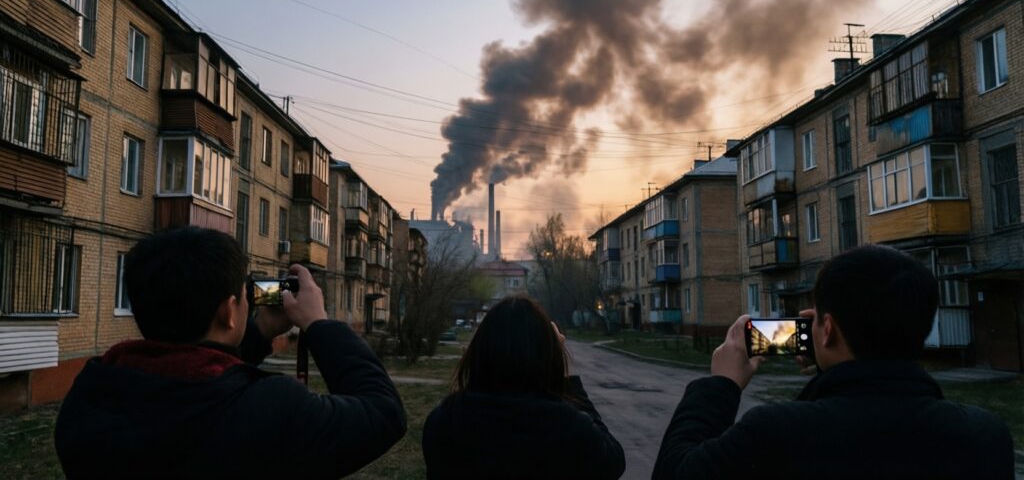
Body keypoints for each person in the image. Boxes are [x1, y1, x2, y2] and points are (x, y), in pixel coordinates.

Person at [54, 227, 406, 478]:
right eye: (243, 294)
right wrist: (318, 323)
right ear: (228, 311)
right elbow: (384, 413)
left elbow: (195, 375)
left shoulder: (90, 397)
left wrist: (260, 331)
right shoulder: (274, 411)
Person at [653, 244, 1014, 480]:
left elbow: (675, 472)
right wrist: (837, 369)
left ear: (826, 329)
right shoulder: (986, 436)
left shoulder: (777, 432)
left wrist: (722, 385)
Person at [422, 295, 625, 479]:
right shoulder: (569, 427)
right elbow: (613, 463)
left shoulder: (443, 422)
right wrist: (568, 377)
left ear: (481, 351)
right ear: (547, 357)